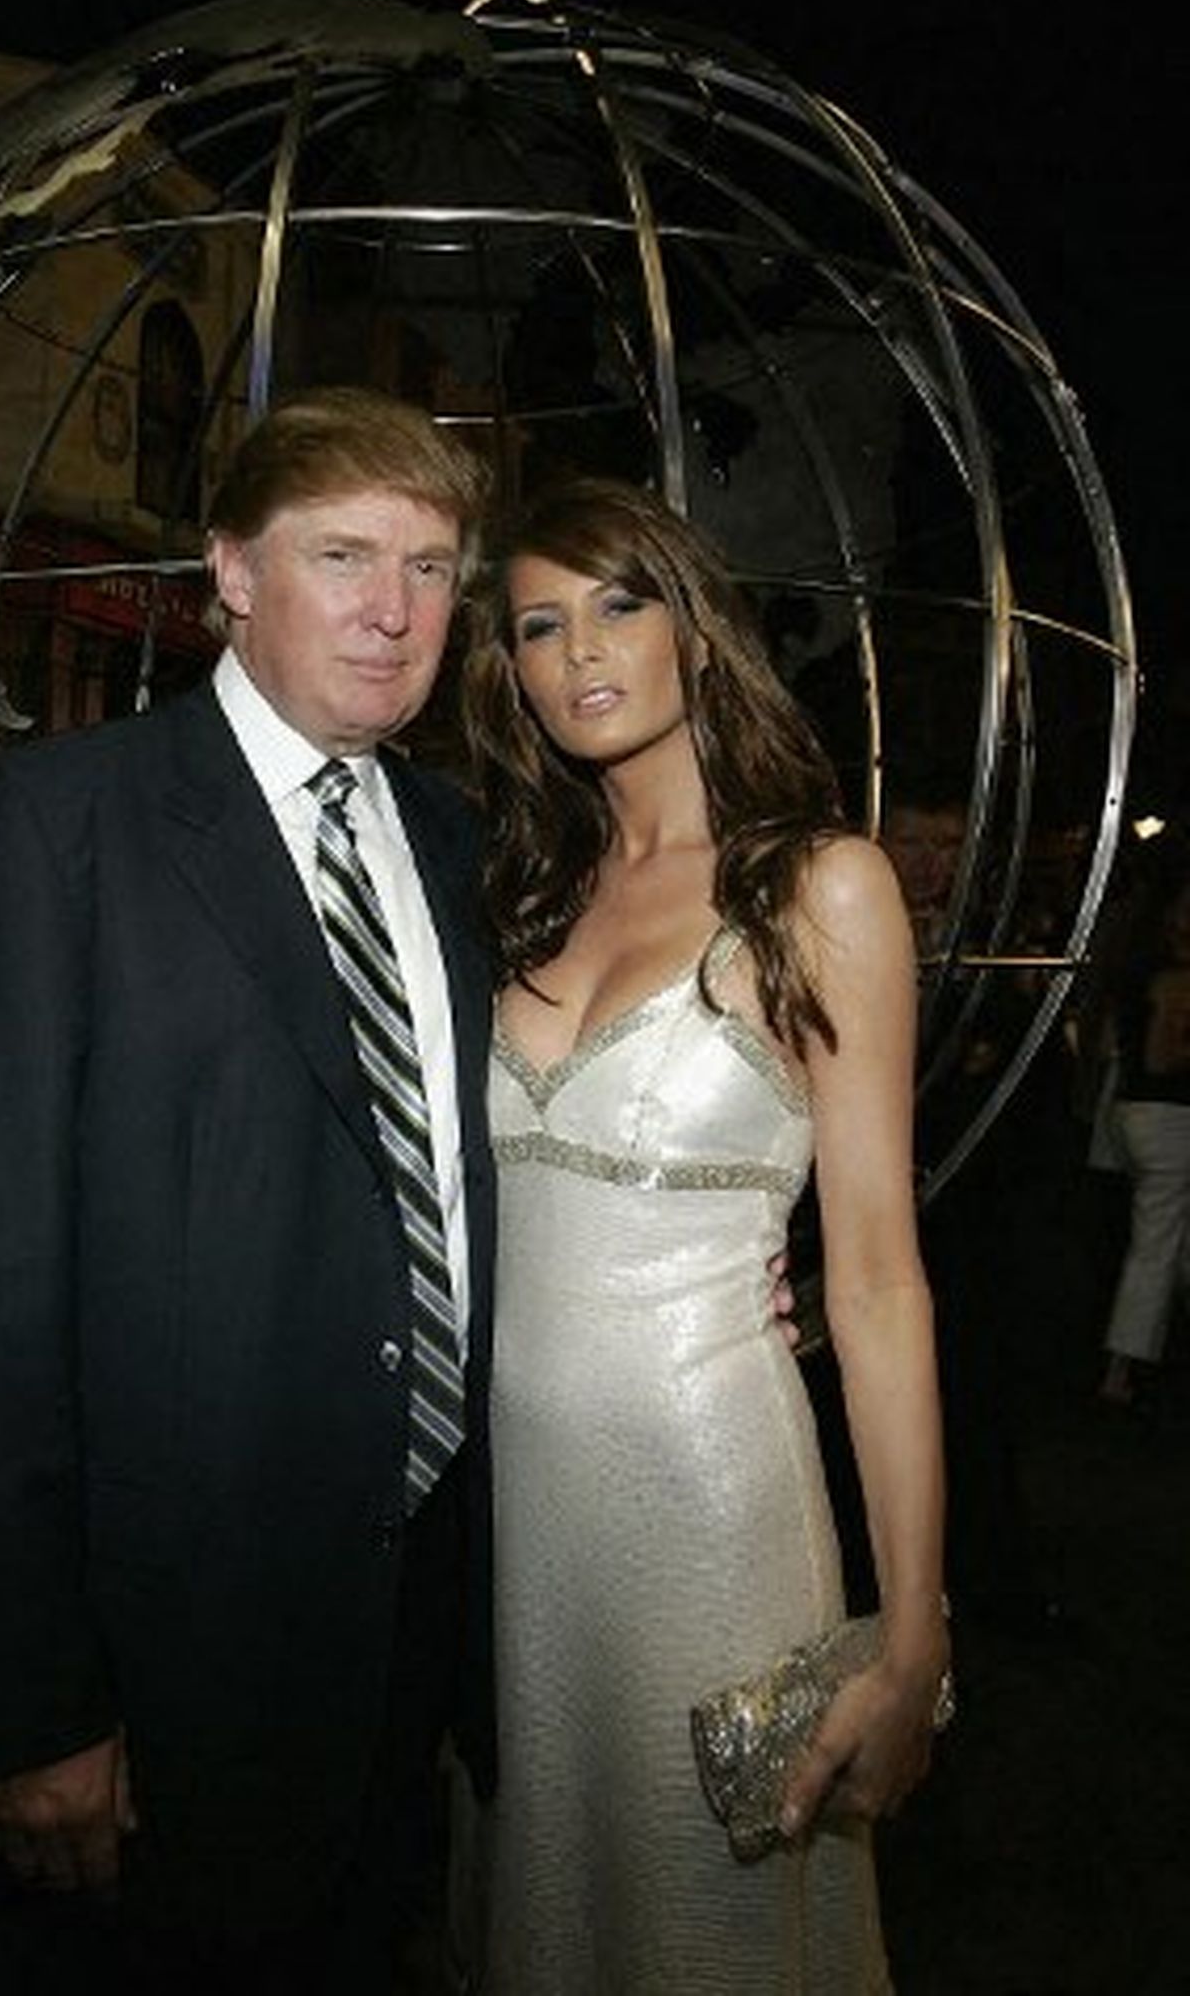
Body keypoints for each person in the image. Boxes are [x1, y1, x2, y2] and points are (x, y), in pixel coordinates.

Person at [0, 388, 499, 1992]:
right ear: (230, 570)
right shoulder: (54, 828)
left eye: (432, 568)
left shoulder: (454, 841)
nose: (393, 611)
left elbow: (443, 1175)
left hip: (406, 1640)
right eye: (342, 556)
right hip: (157, 1662)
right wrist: (25, 1700)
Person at [460, 477, 948, 1991]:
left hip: (712, 1496)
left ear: (695, 626)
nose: (581, 651)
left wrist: (911, 1633)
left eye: (620, 604)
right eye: (540, 625)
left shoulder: (819, 887)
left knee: (714, 1934)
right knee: (562, 1908)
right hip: (526, 1514)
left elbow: (877, 1282)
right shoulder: (527, 888)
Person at [1095, 851, 1190, 1407]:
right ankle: (1119, 1368)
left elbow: (1115, 1044)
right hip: (1169, 1117)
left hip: (1133, 1112)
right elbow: (1161, 1057)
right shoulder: (1176, 979)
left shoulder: (1137, 968)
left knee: (1169, 1237)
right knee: (1155, 1246)